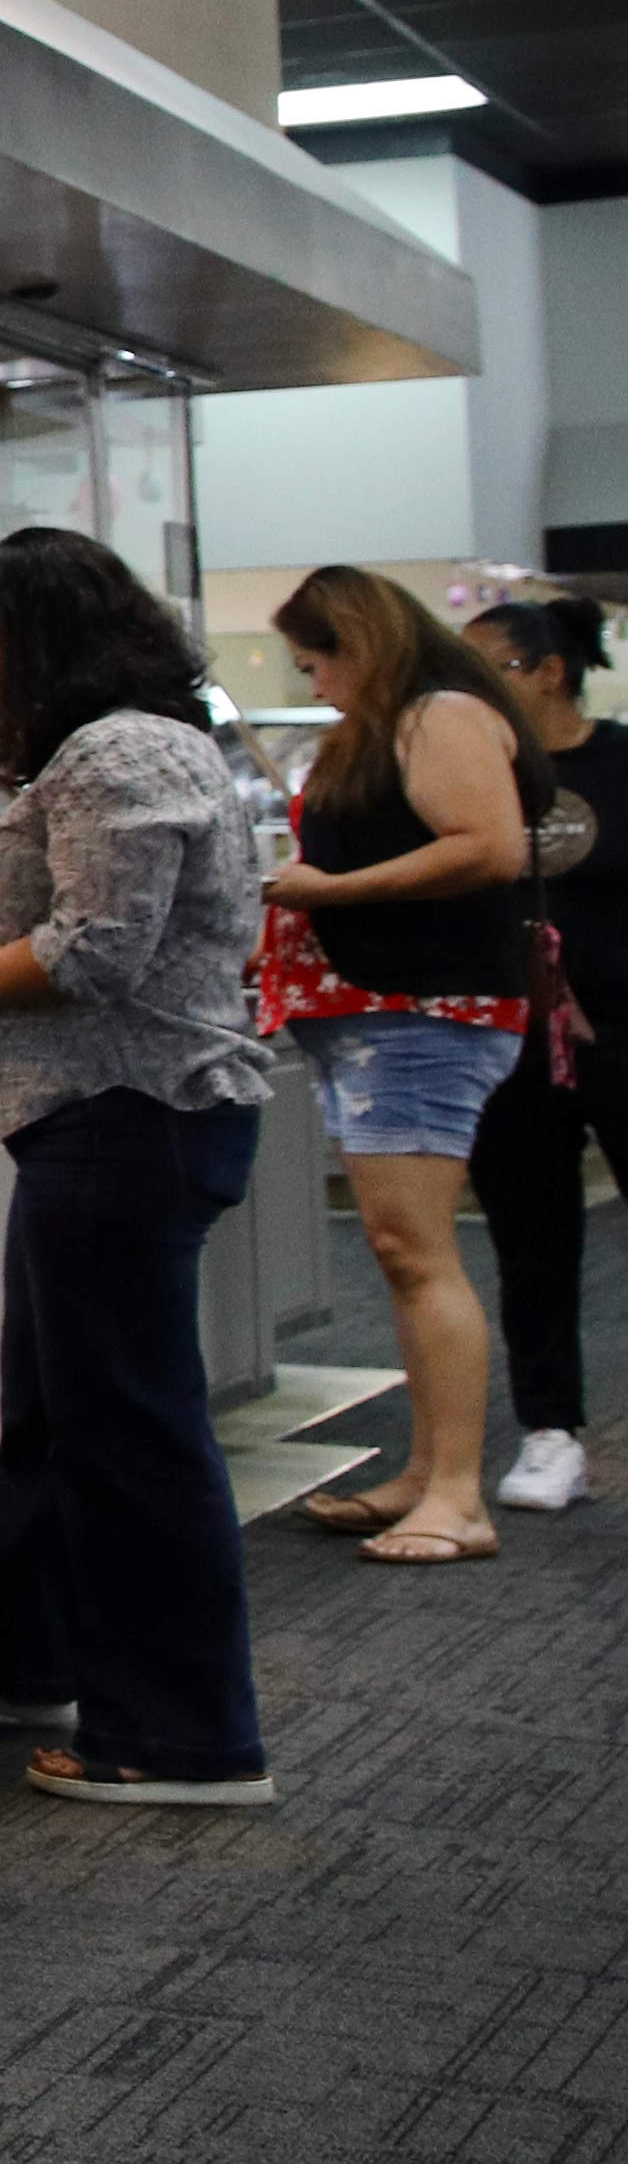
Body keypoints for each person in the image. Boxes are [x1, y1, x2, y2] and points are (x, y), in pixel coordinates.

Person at [0, 529, 277, 1805]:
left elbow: (93, 950)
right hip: (102, 1115)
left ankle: (183, 1735)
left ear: (34, 638)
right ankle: (14, 1653)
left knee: (128, 1432)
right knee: (59, 1410)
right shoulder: (137, 746)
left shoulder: (120, 750)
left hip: (127, 1109)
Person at [257, 564, 539, 1563]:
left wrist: (327, 892)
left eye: (315, 662)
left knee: (415, 1250)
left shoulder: (439, 715)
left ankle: (456, 1492)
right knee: (401, 1249)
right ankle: (428, 1471)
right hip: (383, 1012)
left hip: (425, 1012)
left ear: (355, 644)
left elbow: (487, 846)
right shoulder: (404, 722)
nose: (317, 683)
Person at [462, 593, 622, 1517]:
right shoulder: (476, 772)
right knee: (531, 1240)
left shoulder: (619, 760)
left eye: (492, 667)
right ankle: (550, 1429)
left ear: (548, 671)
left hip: (621, 1026)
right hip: (511, 1036)